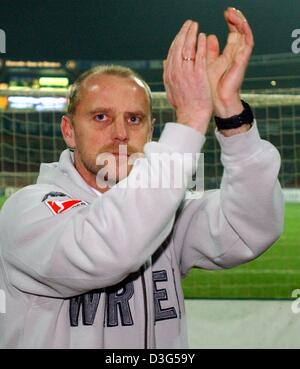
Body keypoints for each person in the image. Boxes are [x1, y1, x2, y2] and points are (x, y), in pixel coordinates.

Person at [0, 8, 283, 349]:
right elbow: (106, 249)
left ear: (151, 130)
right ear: (69, 131)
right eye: (101, 116)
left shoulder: (166, 210)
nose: (120, 133)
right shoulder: (27, 211)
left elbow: (250, 228)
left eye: (134, 119)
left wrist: (229, 111)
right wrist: (191, 117)